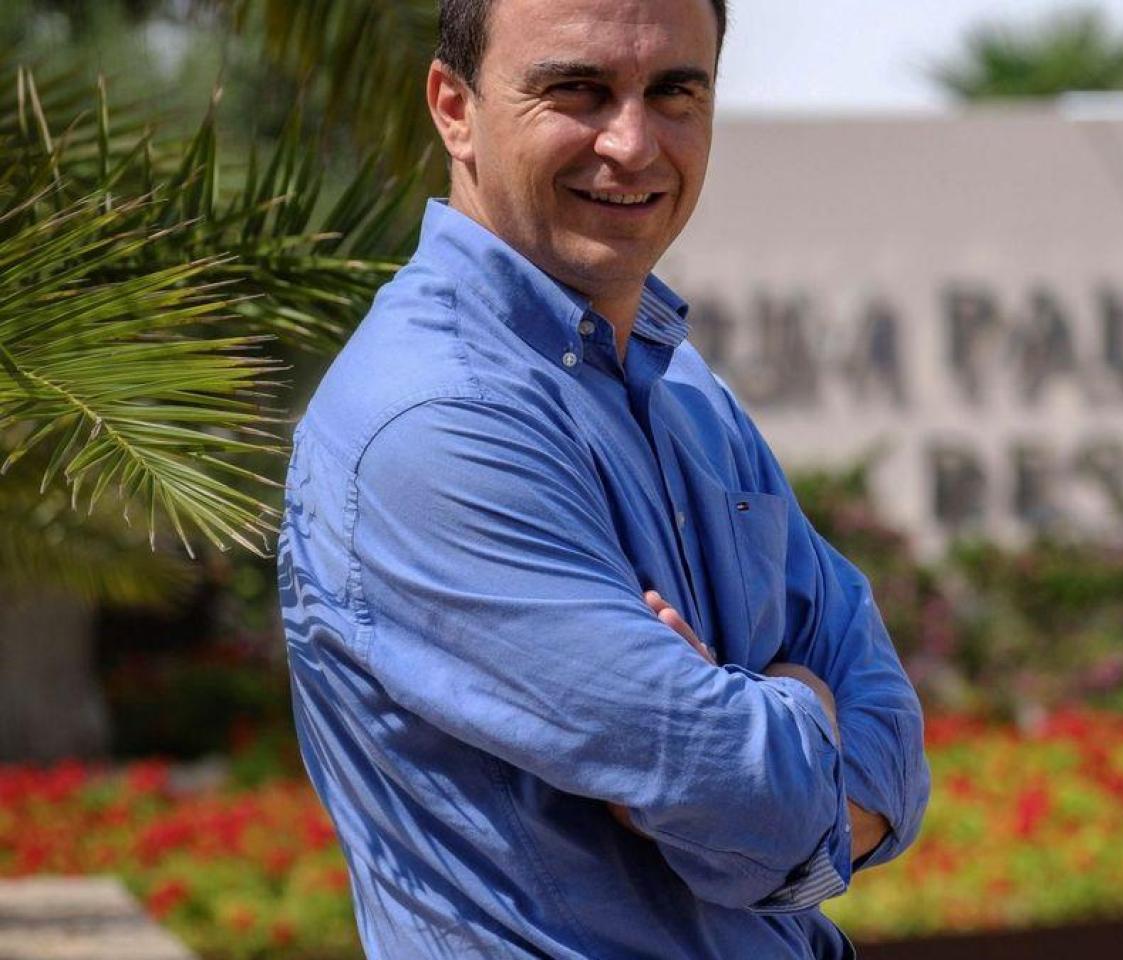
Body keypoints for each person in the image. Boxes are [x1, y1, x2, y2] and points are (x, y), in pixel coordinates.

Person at [274, 0, 930, 956]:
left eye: (674, 93)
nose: (632, 144)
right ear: (454, 107)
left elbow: (893, 734)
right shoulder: (435, 421)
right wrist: (804, 705)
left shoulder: (684, 388)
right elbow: (755, 803)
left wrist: (767, 734)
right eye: (577, 91)